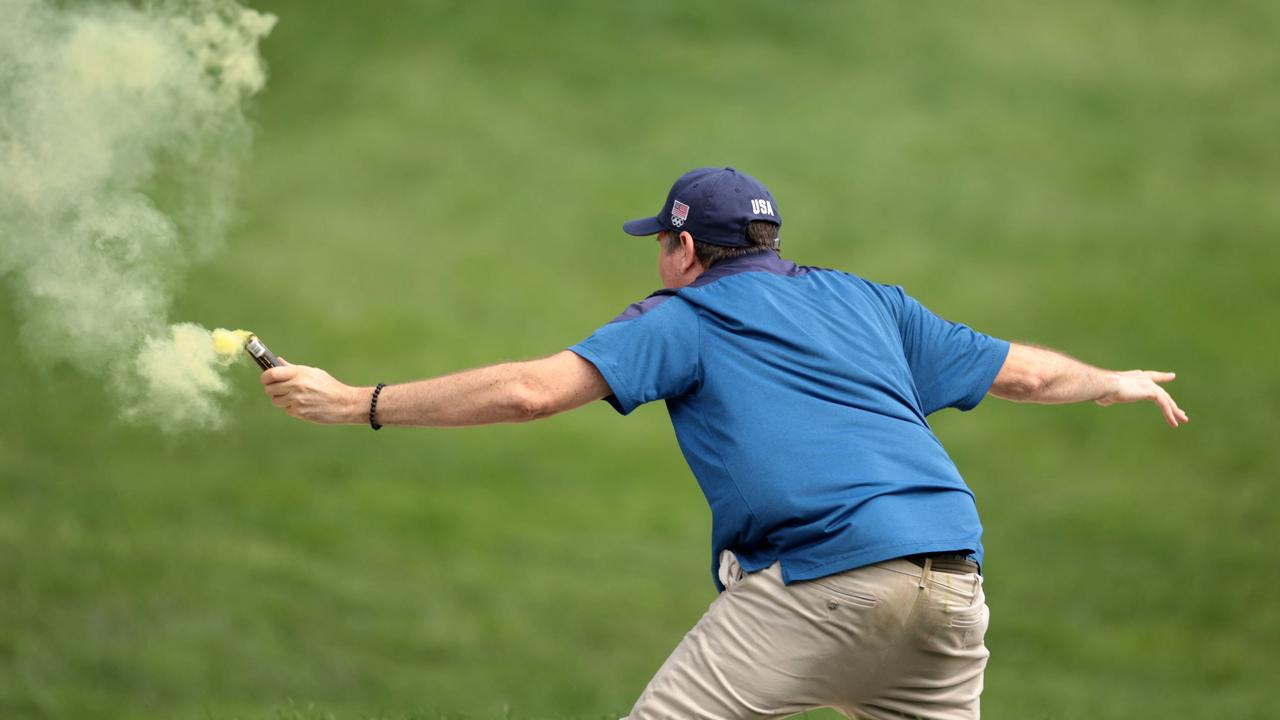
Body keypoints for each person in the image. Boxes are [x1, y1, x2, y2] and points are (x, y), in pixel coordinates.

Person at [261, 167, 1188, 719]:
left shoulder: (687, 315)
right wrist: (1115, 380)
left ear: (684, 248)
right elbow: (1024, 372)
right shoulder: (869, 300)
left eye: (658, 244)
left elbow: (529, 393)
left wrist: (357, 401)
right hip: (954, 585)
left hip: (823, 577)